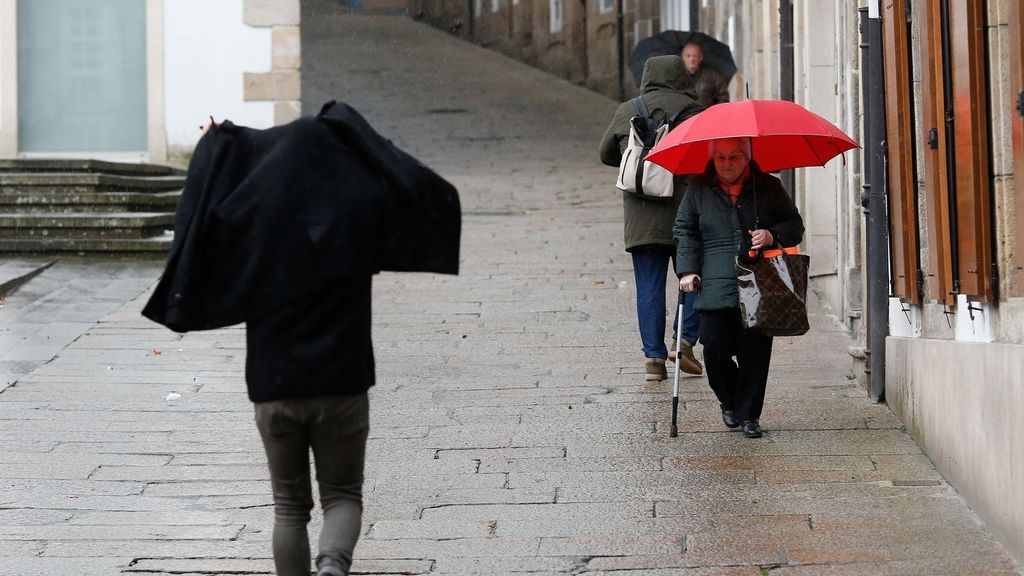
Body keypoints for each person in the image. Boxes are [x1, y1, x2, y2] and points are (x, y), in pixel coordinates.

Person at [145, 103, 461, 576]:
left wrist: (219, 141)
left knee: (289, 509)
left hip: (275, 389)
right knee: (343, 497)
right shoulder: (359, 217)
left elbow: (225, 188)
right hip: (342, 385)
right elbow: (397, 175)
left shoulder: (256, 228)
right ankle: (333, 566)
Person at [673, 137, 803, 438]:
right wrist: (688, 269)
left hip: (760, 282)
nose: (727, 163)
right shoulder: (697, 189)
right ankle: (729, 400)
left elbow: (794, 225)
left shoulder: (767, 187)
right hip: (714, 279)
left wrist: (772, 235)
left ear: (746, 157)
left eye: (733, 156)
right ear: (712, 159)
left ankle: (749, 416)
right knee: (714, 347)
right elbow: (684, 231)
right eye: (720, 157)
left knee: (755, 351)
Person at [599, 55, 704, 382]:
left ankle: (653, 360)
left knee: (649, 287)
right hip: (687, 214)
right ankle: (684, 339)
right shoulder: (697, 113)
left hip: (642, 217)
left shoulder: (628, 110)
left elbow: (605, 154)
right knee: (696, 278)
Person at [680, 41, 730, 107]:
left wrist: (714, 113)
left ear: (701, 57)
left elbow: (723, 98)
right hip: (684, 116)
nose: (692, 59)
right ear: (683, 57)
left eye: (695, 56)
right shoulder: (676, 76)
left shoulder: (714, 76)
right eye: (688, 56)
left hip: (707, 115)